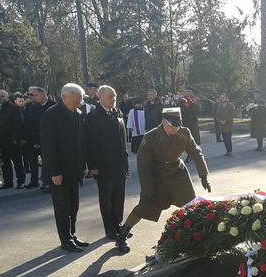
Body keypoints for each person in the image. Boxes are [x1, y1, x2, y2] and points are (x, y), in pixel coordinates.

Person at [116, 108, 211, 253]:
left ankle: (196, 236)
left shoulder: (185, 132)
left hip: (177, 173)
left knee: (191, 205)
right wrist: (147, 188)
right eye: (173, 125)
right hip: (156, 176)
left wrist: (203, 175)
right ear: (163, 122)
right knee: (145, 207)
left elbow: (196, 153)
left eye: (178, 125)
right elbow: (143, 166)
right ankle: (122, 235)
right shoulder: (151, 137)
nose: (176, 129)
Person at [40, 83, 89, 252]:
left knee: (73, 206)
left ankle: (72, 235)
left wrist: (82, 166)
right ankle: (65, 240)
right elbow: (48, 146)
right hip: (59, 171)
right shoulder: (51, 115)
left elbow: (80, 144)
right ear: (64, 97)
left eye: (80, 100)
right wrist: (54, 171)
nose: (79, 104)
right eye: (76, 101)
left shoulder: (78, 114)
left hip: (74, 170)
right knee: (62, 207)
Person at [85, 85, 129, 241]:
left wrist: (126, 164)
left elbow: (122, 141)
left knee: (119, 197)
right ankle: (109, 229)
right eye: (111, 96)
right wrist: (93, 166)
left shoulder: (117, 113)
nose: (114, 98)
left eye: (115, 95)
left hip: (119, 164)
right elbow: (90, 144)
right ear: (100, 97)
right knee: (106, 199)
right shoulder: (93, 116)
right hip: (103, 166)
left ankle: (118, 225)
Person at [0, 89, 25, 189]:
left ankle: (21, 181)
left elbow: (18, 124)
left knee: (17, 162)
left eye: (2, 96)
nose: (0, 98)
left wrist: (15, 138)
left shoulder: (13, 108)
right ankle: (8, 182)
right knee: (4, 163)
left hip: (12, 140)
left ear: (7, 97)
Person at [24, 87, 55, 190]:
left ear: (43, 94)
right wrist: (35, 141)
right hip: (37, 139)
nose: (31, 97)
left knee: (49, 161)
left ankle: (49, 182)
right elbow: (32, 125)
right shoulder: (33, 107)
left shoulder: (54, 105)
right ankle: (41, 181)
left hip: (51, 139)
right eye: (30, 95)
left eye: (34, 95)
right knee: (39, 161)